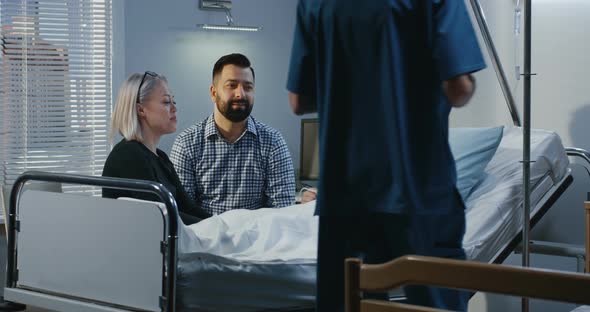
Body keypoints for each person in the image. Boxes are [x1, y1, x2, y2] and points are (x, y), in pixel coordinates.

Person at [286, 1, 485, 311]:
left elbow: (297, 101)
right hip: (417, 189)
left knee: (348, 302)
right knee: (435, 303)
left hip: (344, 194)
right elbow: (458, 88)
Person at [171, 53, 307, 216]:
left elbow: (282, 211)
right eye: (232, 85)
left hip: (258, 239)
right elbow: (182, 214)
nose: (240, 94)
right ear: (214, 93)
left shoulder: (273, 142)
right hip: (204, 238)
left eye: (248, 87)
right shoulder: (186, 144)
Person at [103, 71, 211, 225]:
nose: (174, 108)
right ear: (141, 110)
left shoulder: (160, 157)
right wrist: (214, 229)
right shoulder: (128, 155)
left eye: (174, 101)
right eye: (166, 102)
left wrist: (220, 224)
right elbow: (161, 217)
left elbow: (188, 208)